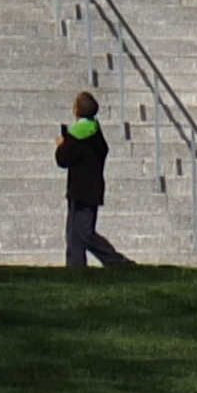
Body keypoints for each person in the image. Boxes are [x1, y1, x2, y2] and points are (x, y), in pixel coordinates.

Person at [56, 89, 135, 270]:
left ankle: (116, 261)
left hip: (80, 190)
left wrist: (62, 145)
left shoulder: (77, 135)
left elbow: (63, 160)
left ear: (77, 110)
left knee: (83, 234)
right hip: (92, 187)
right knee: (74, 234)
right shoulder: (95, 131)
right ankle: (75, 268)